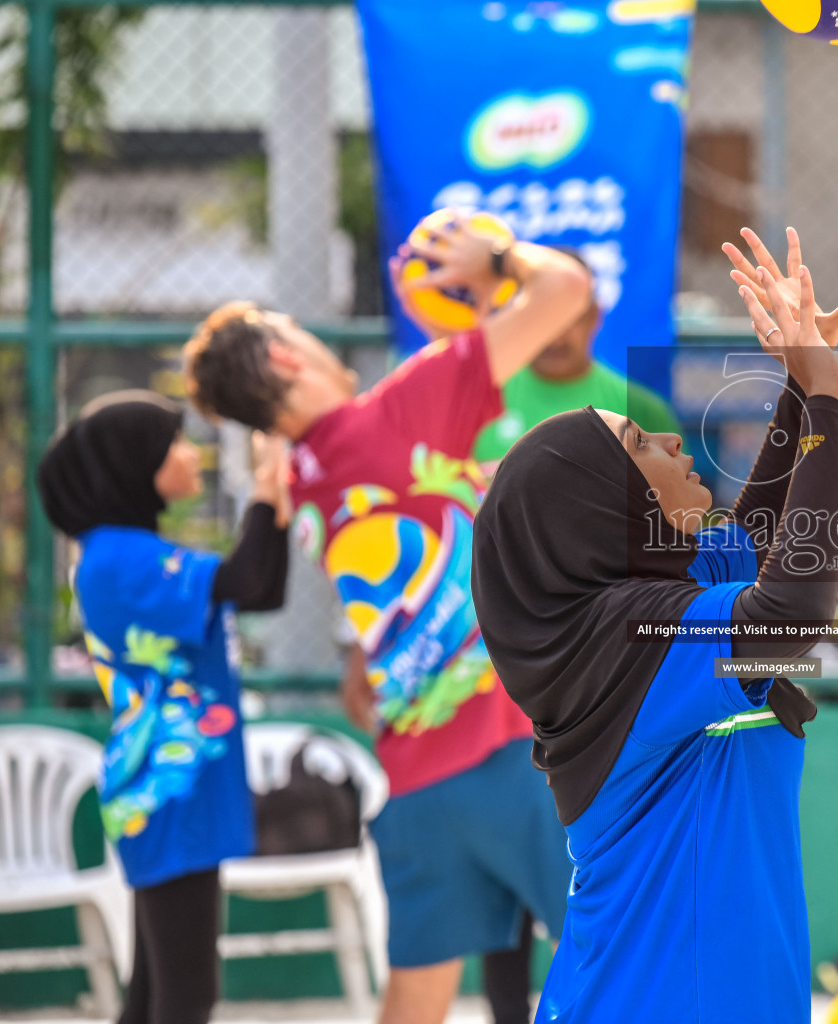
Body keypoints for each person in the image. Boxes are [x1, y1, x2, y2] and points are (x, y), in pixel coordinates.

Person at [180, 214, 586, 1024]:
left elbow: (401, 555)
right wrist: (496, 260)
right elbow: (568, 290)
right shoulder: (404, 409)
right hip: (509, 749)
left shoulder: (305, 472)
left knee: (416, 998)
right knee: (631, 953)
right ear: (288, 357)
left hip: (415, 772)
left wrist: (362, 656)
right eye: (295, 328)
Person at [471, 228, 838, 1024]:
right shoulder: (632, 639)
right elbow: (791, 610)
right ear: (605, 505)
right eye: (634, 443)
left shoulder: (655, 603)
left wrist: (801, 386)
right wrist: (826, 406)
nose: (663, 437)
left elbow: (758, 547)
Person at [36, 390, 290, 1024]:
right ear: (131, 464)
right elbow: (244, 579)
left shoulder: (127, 552)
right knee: (186, 995)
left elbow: (259, 590)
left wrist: (275, 501)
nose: (192, 454)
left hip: (174, 785)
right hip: (167, 789)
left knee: (153, 995)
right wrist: (264, 485)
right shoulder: (121, 558)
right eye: (173, 443)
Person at [470, 249, 683, 467]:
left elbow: (675, 499)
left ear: (594, 316)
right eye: (544, 316)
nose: (557, 336)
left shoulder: (643, 413)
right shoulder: (472, 406)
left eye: (571, 317)